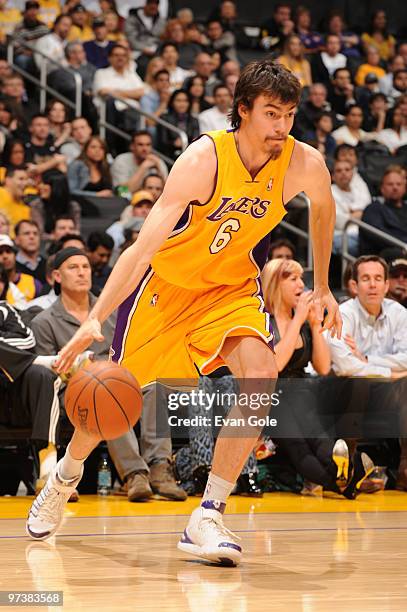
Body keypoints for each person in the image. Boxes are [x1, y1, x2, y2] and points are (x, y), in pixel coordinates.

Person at [26, 59, 342, 566]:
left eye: (288, 114)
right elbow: (142, 248)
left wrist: (324, 285)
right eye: (270, 114)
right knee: (113, 398)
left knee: (261, 375)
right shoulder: (204, 159)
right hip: (166, 290)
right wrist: (94, 317)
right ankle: (66, 475)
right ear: (243, 111)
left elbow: (325, 210)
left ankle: (209, 511)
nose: (282, 127)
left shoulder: (303, 163)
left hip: (228, 289)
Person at [361, 166, 407, 254]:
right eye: (390, 184)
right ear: (382, 188)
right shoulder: (373, 209)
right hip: (387, 255)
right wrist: (403, 244)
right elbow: (377, 236)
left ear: (404, 188)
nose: (395, 187)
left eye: (399, 184)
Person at [111, 130, 168, 194]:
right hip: (125, 201)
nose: (145, 149)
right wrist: (143, 168)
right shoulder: (121, 161)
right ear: (132, 146)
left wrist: (159, 168)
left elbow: (168, 192)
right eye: (140, 145)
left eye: (148, 145)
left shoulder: (157, 162)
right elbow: (122, 192)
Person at [156, 89, 200, 159]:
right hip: (169, 155)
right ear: (172, 102)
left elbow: (196, 141)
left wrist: (185, 144)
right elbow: (161, 142)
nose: (182, 104)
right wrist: (173, 143)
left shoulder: (194, 120)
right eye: (178, 101)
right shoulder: (164, 118)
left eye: (185, 101)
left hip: (189, 155)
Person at [15, 219, 46, 284]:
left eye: (35, 233)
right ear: (17, 239)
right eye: (26, 233)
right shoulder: (11, 266)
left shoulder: (47, 264)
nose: (32, 237)